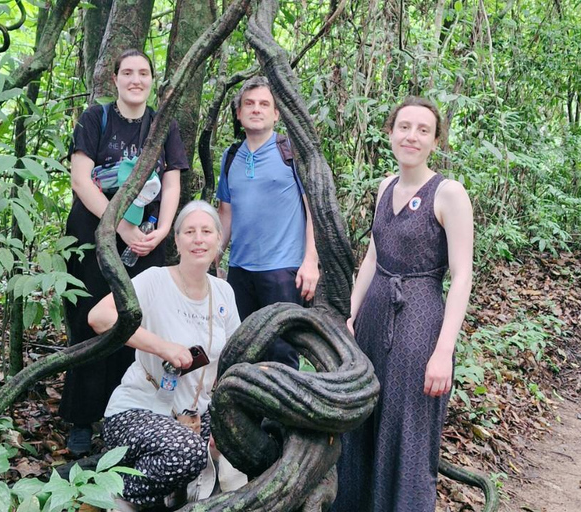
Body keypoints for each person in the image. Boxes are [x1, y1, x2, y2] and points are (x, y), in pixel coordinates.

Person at [332, 96, 474, 512]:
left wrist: (443, 352)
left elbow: (462, 276)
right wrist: (352, 314)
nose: (412, 136)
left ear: (435, 141)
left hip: (419, 322)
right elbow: (373, 258)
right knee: (362, 423)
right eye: (404, 127)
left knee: (408, 433)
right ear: (391, 133)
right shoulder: (385, 187)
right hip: (374, 318)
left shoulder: (448, 194)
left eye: (423, 130)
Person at [59, 49, 189, 455]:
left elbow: (171, 183)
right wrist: (122, 227)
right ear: (114, 78)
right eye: (128, 73)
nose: (136, 79)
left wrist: (164, 229)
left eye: (143, 73)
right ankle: (82, 419)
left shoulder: (161, 125)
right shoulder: (94, 119)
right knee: (87, 322)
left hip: (145, 242)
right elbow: (82, 182)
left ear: (153, 80)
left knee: (135, 322)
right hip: (94, 235)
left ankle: (124, 414)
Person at [88, 200, 241, 509]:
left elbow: (235, 359)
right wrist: (163, 347)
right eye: (190, 232)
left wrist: (227, 423)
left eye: (207, 231)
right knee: (188, 453)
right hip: (139, 410)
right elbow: (99, 317)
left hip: (196, 416)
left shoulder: (224, 291)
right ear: (177, 240)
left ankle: (168, 493)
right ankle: (108, 495)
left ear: (219, 240)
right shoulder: (156, 280)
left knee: (243, 438)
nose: (199, 239)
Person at [215, 76, 319, 369]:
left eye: (264, 104)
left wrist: (310, 261)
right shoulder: (230, 156)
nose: (256, 109)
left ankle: (281, 415)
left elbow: (314, 211)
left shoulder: (292, 153)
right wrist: (214, 258)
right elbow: (226, 213)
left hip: (283, 270)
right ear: (238, 113)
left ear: (276, 114)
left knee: (282, 350)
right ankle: (249, 413)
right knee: (242, 349)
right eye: (249, 104)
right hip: (239, 270)